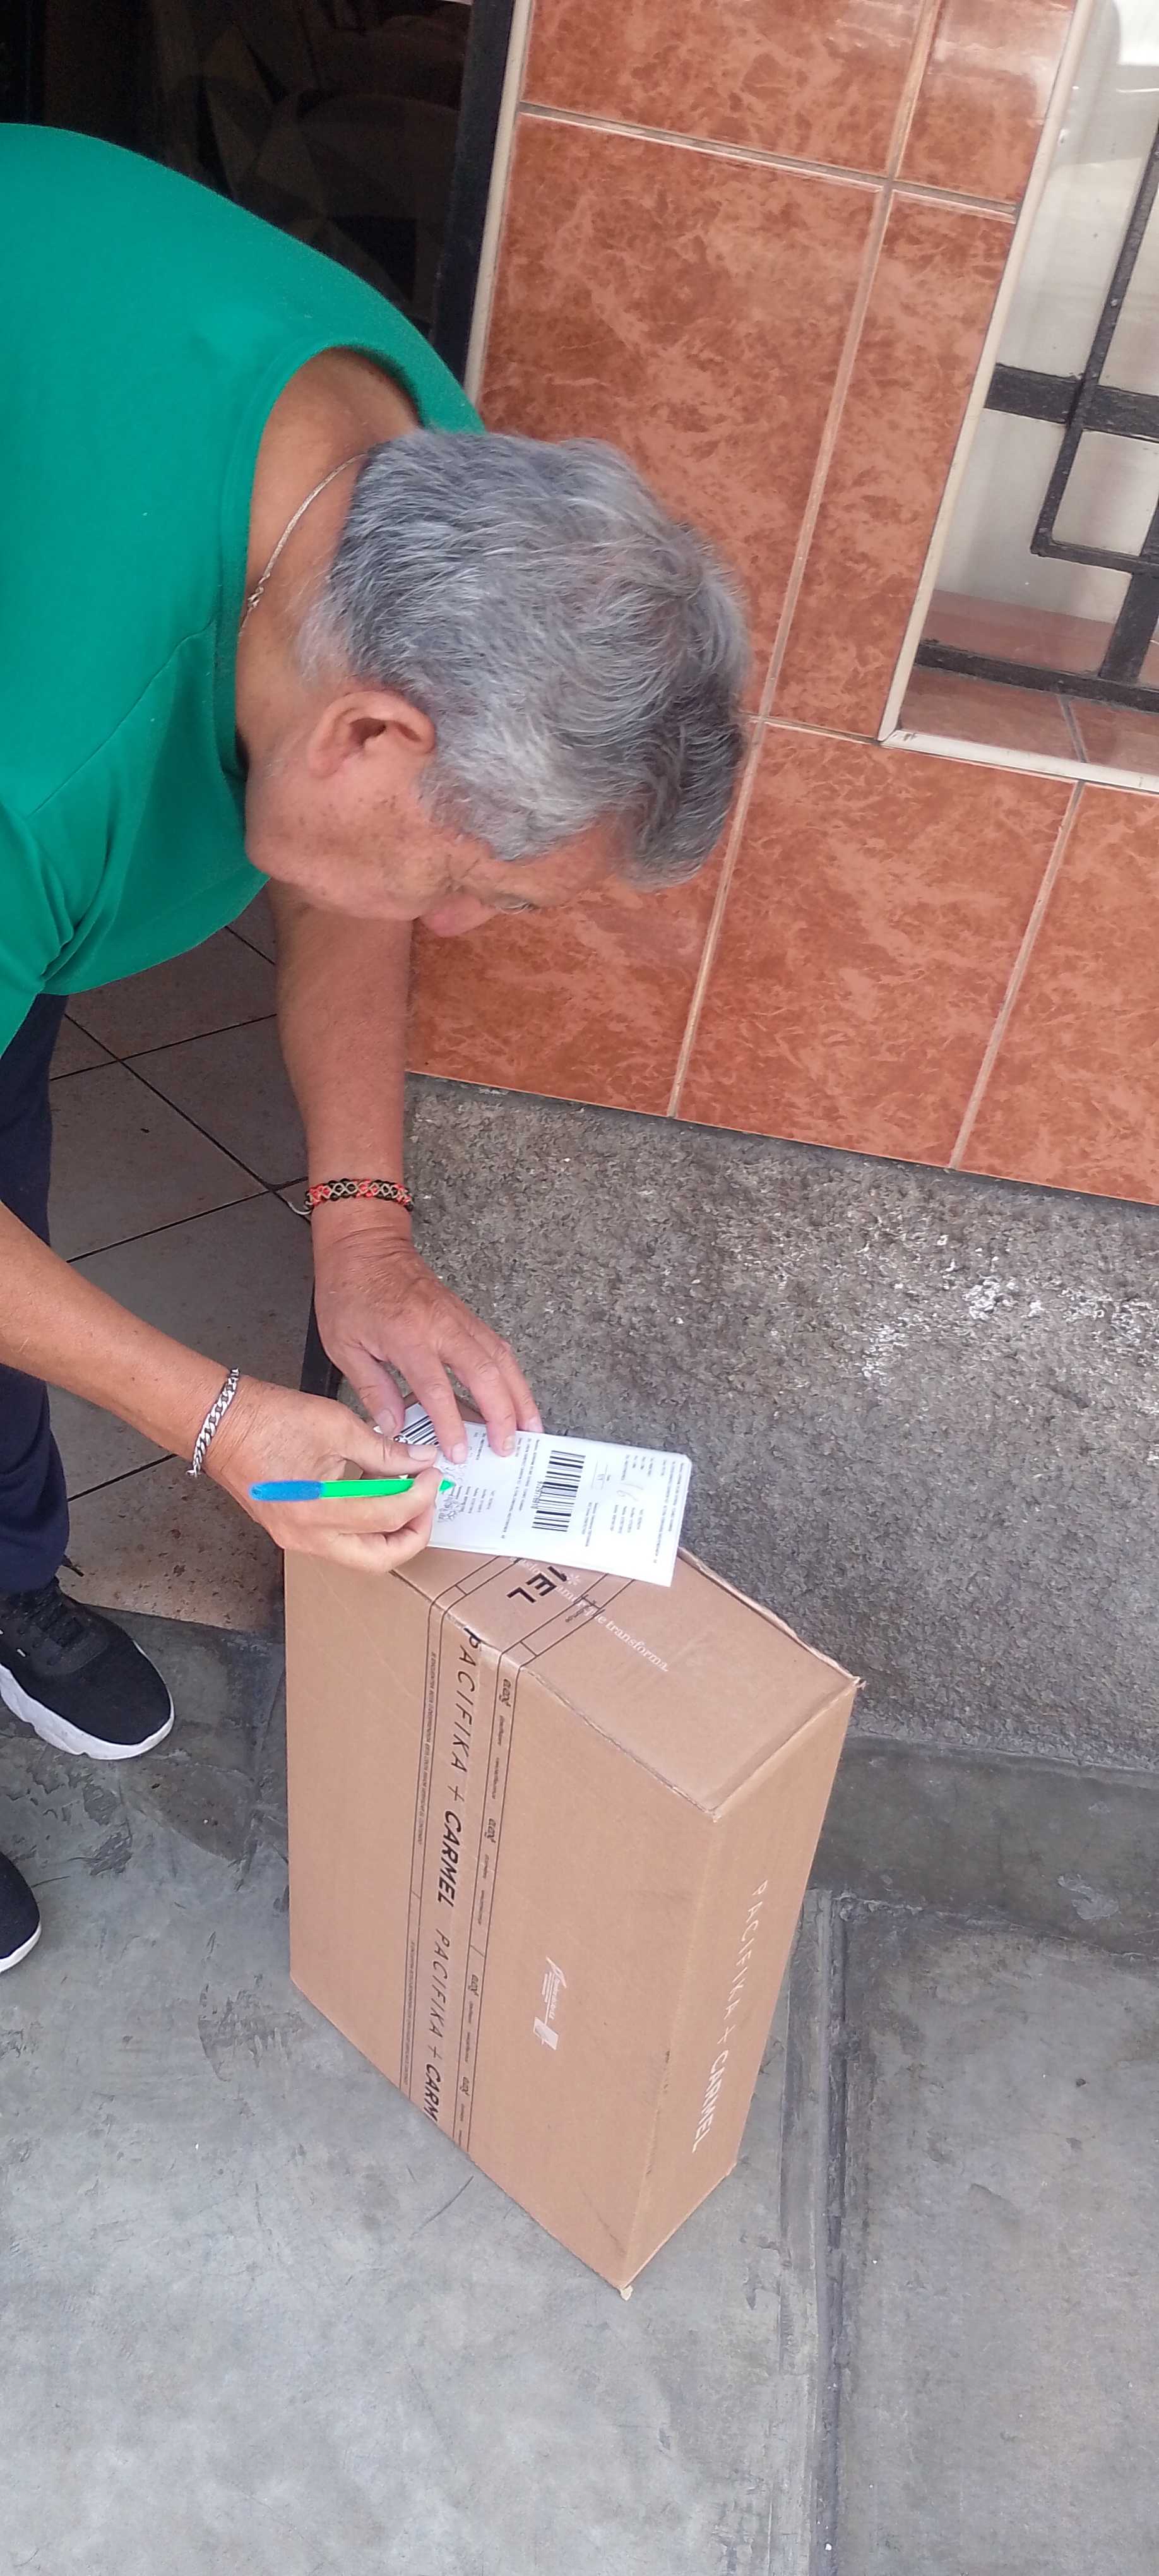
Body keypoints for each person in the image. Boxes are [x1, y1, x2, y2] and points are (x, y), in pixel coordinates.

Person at [0, 124, 747, 1973]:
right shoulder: (49, 761)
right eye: (480, 885)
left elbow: (352, 884)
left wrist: (364, 1231)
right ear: (369, 740)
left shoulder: (416, 487)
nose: (461, 930)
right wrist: (212, 1419)